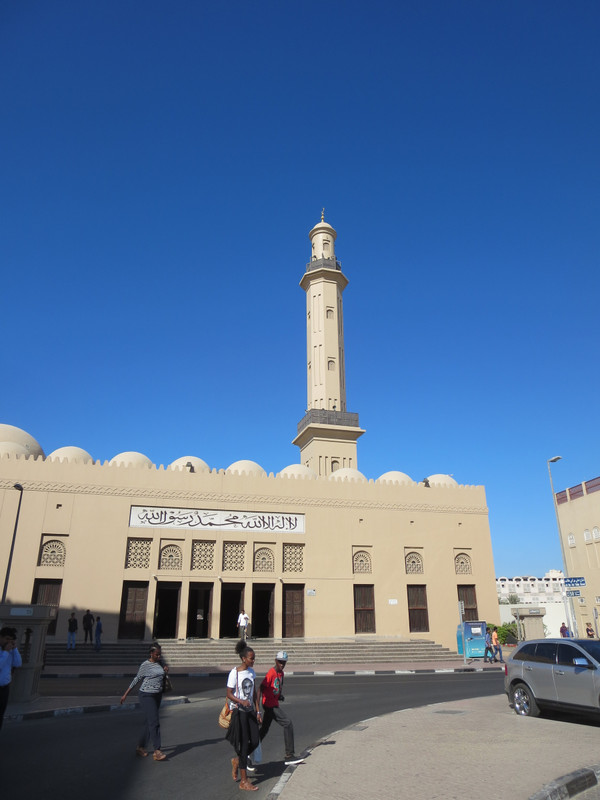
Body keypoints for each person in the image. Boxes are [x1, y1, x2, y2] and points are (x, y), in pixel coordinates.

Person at [120, 643, 168, 761]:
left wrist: (166, 672)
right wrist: (126, 694)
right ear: (151, 653)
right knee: (154, 721)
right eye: (157, 655)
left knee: (150, 722)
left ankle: (140, 747)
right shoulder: (145, 665)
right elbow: (137, 679)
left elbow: (161, 678)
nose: (159, 657)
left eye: (160, 655)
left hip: (157, 695)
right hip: (146, 695)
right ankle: (157, 751)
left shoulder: (160, 663)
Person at [225, 639, 261, 791]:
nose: (253, 660)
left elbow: (253, 694)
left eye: (254, 658)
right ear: (243, 658)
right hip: (240, 713)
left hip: (251, 712)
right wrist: (241, 701)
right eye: (251, 658)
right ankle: (244, 781)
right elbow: (229, 693)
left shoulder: (252, 672)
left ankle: (237, 760)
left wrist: (258, 711)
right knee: (244, 744)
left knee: (255, 741)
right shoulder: (235, 673)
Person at [259, 650, 303, 766]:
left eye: (284, 662)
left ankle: (247, 753)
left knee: (263, 730)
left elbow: (275, 688)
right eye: (280, 662)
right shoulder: (271, 673)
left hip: (273, 702)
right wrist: (257, 709)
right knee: (287, 723)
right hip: (269, 705)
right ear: (275, 661)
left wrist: (279, 696)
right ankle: (289, 755)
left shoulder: (281, 674)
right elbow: (261, 688)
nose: (282, 664)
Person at [0, 627, 22, 731]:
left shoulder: (10, 651)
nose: (8, 642)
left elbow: (17, 663)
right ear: (1, 637)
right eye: (7, 639)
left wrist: (14, 650)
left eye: (11, 640)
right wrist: (5, 652)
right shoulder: (4, 652)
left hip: (4, 688)